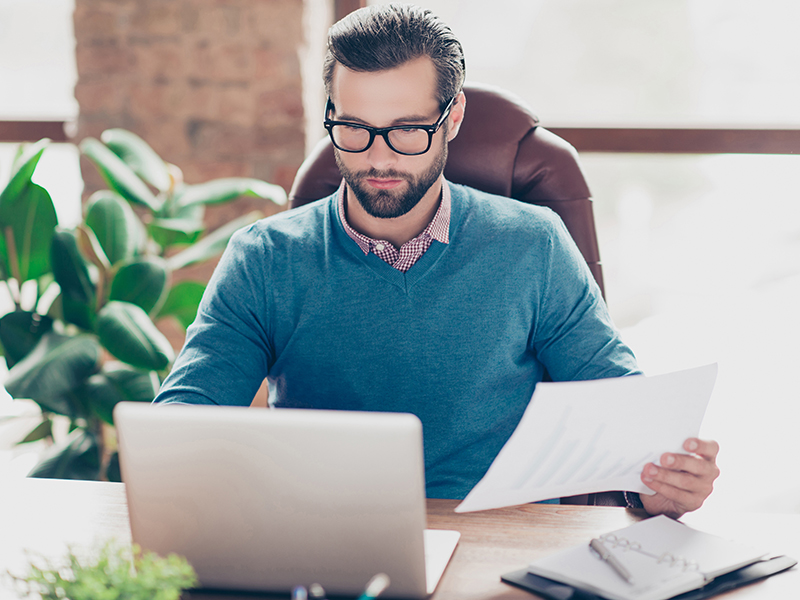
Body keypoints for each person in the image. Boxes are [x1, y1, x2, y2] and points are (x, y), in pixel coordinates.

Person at [155, 3, 719, 518]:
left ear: (451, 119)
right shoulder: (264, 259)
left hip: (503, 545)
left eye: (407, 131)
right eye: (354, 128)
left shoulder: (534, 245)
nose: (378, 157)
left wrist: (661, 481)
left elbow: (621, 409)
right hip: (331, 540)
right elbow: (183, 426)